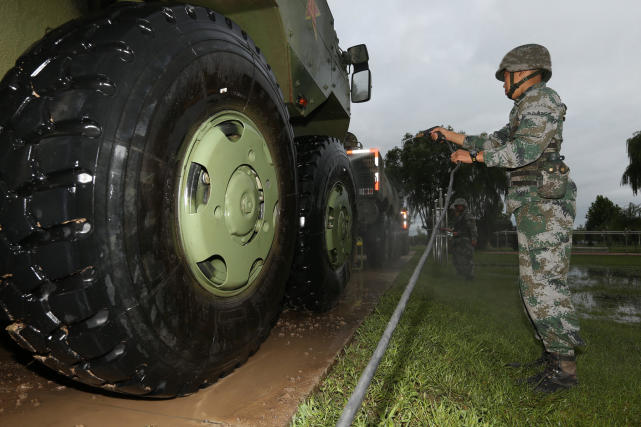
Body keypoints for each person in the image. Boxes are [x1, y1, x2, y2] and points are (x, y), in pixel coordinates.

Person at [427, 44, 583, 393]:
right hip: (533, 207)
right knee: (532, 286)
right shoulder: (524, 109)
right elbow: (495, 139)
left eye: (505, 77)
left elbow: (523, 150)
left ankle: (565, 370)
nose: (503, 85)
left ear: (525, 71)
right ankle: (553, 358)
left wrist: (477, 158)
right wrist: (453, 137)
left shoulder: (542, 101)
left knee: (545, 287)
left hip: (546, 209)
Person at [442, 198, 477, 280]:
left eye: (458, 206)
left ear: (463, 206)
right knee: (456, 259)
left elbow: (472, 228)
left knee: (467, 258)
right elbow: (454, 232)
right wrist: (446, 231)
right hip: (458, 240)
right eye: (456, 206)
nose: (456, 208)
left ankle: (470, 276)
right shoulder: (458, 217)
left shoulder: (467, 216)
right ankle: (462, 273)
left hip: (465, 240)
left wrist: (474, 238)